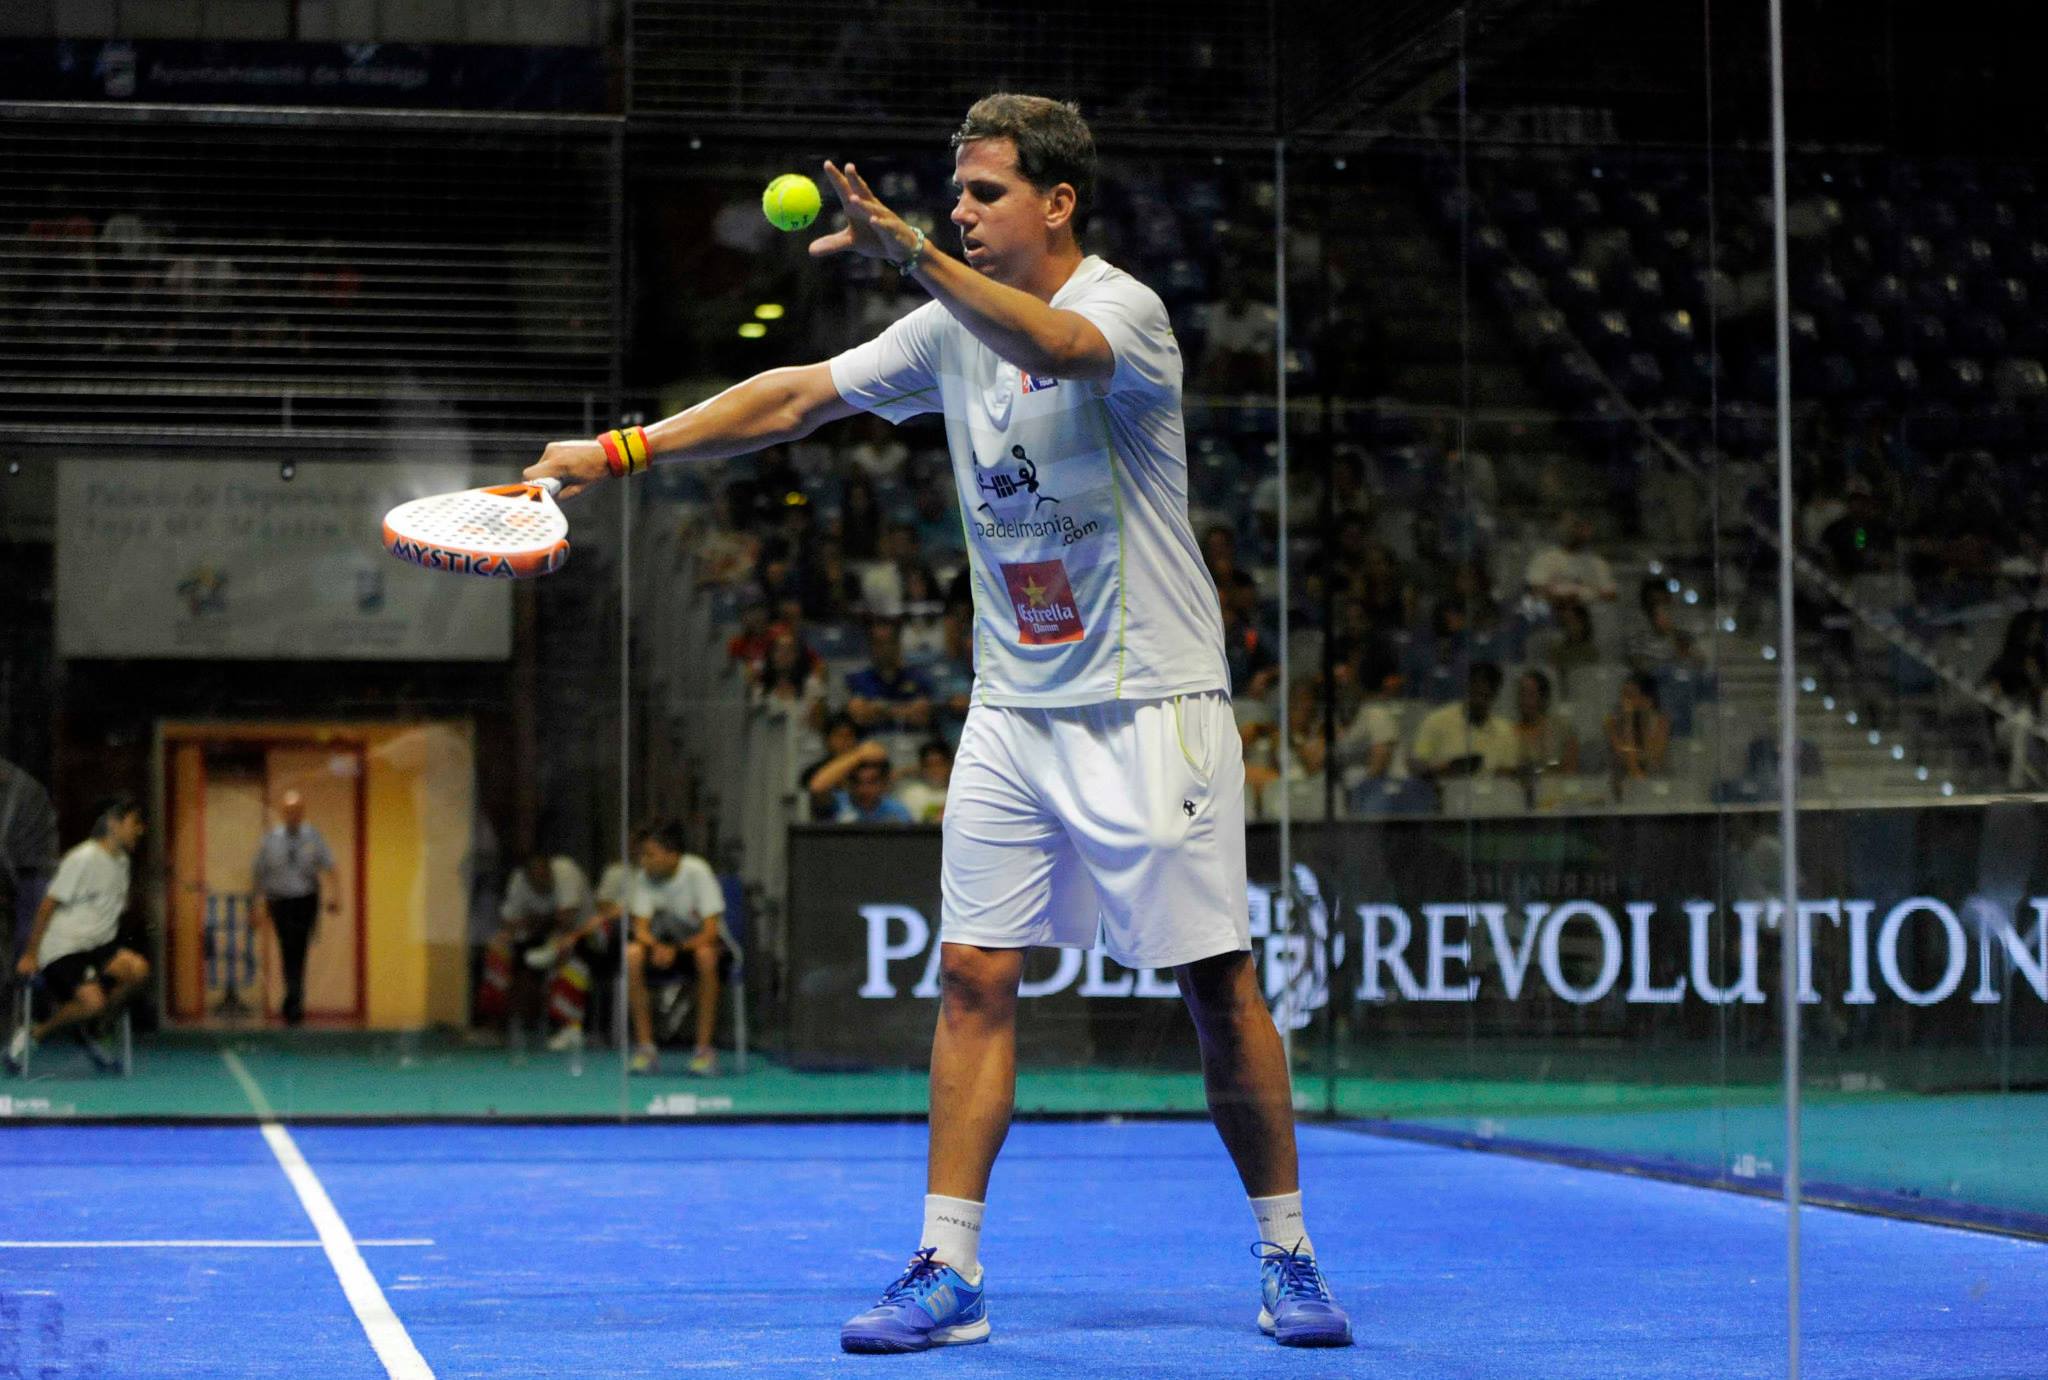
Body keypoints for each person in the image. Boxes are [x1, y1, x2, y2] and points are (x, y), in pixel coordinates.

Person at [525, 92, 1349, 1352]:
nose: (960, 213)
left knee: (1214, 985)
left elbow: (1061, 349)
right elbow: (795, 397)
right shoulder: (942, 331)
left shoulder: (1122, 310)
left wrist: (909, 249)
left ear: (1056, 203)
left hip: (1152, 707)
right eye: (951, 195)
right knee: (970, 975)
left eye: (983, 193)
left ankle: (1288, 1254)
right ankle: (947, 1267)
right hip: (1013, 709)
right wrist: (623, 449)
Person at [6, 795, 150, 1074]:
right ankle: (36, 1034)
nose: (140, 830)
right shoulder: (82, 858)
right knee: (92, 1001)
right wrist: (30, 954)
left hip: (98, 948)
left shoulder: (123, 863)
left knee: (138, 970)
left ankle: (96, 1029)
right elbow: (48, 905)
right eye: (135, 823)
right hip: (64, 948)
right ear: (113, 823)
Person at [624, 821, 726, 1077]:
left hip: (698, 947)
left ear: (672, 856)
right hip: (663, 948)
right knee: (633, 954)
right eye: (642, 855)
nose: (643, 861)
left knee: (706, 957)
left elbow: (711, 932)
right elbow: (641, 929)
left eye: (650, 854)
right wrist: (658, 947)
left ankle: (703, 1052)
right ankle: (646, 1050)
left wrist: (677, 949)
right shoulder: (644, 878)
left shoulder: (697, 872)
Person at [250, 789, 339, 1027]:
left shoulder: (313, 836)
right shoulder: (271, 839)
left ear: (302, 812)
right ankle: (293, 1000)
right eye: (288, 811)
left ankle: (294, 1000)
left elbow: (330, 865)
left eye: (297, 811)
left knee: (298, 948)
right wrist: (256, 905)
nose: (293, 815)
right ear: (283, 813)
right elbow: (258, 873)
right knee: (287, 947)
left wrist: (335, 896)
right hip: (279, 901)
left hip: (305, 899)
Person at [495, 851, 593, 1050]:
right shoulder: (519, 879)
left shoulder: (566, 871)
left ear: (551, 870)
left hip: (583, 936)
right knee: (498, 950)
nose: (542, 881)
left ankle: (570, 1027)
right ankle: (500, 1025)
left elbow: (567, 919)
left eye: (545, 875)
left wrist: (534, 920)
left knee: (565, 951)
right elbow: (510, 923)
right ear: (527, 876)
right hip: (541, 936)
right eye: (536, 877)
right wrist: (541, 922)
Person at [1410, 661, 1518, 779]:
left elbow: (1509, 775)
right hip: (1443, 793)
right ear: (1467, 687)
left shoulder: (1506, 731)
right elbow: (1417, 765)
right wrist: (1445, 769)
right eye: (1476, 691)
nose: (1480, 700)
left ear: (1495, 694)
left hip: (1491, 796)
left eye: (1485, 695)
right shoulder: (1436, 721)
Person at [808, 740, 916, 824]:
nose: (864, 789)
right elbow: (817, 787)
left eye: (872, 782)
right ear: (848, 782)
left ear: (884, 783)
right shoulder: (837, 803)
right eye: (857, 781)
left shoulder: (897, 812)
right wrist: (859, 755)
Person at [1607, 671, 1672, 799]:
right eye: (1623, 694)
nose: (1623, 701)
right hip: (1623, 791)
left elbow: (1653, 763)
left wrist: (1643, 723)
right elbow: (1632, 768)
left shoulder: (1662, 722)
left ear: (1647, 700)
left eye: (1630, 696)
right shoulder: (1612, 723)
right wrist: (1628, 723)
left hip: (1658, 792)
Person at [896, 740, 954, 823]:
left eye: (939, 764)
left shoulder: (959, 794)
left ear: (950, 765)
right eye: (930, 765)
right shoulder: (910, 794)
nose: (935, 770)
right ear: (921, 767)